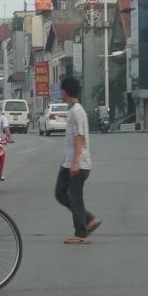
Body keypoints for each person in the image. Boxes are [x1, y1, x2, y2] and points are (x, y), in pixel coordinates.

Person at [55, 76, 101, 245]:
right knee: (61, 193)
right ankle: (88, 220)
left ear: (64, 92)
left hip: (78, 163)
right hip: (69, 162)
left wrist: (75, 162)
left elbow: (79, 137)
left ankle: (82, 232)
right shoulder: (73, 110)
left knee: (75, 198)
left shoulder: (77, 111)